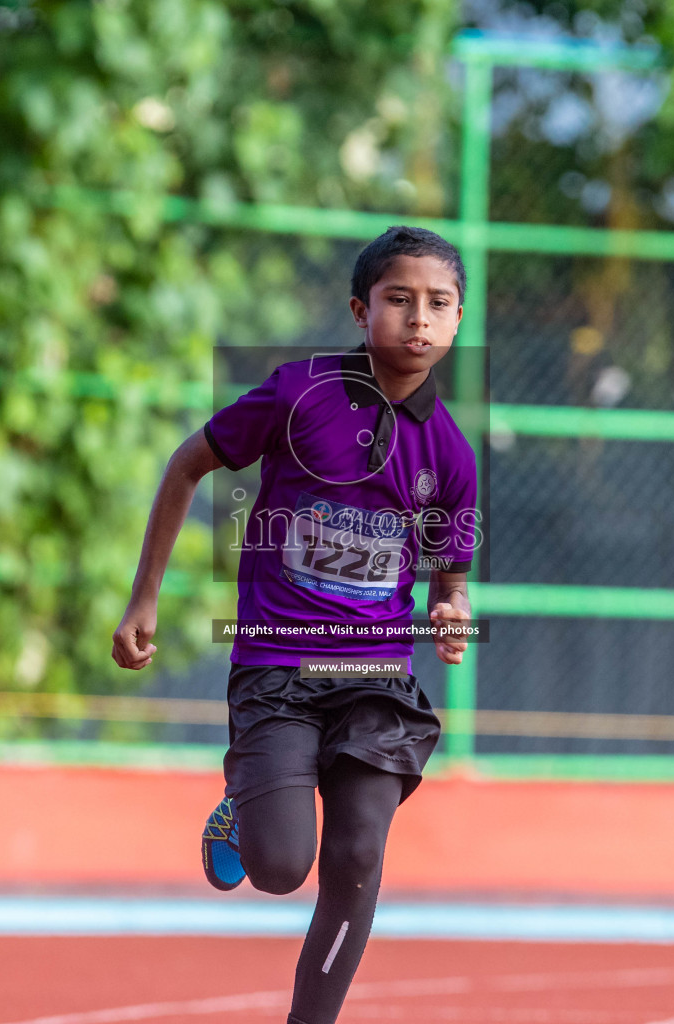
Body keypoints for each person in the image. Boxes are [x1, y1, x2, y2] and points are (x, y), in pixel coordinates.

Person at [111, 225, 479, 1024]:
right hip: (279, 671)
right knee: (281, 868)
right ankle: (245, 799)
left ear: (457, 323)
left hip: (378, 680)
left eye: (438, 304)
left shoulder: (450, 451)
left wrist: (453, 606)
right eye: (398, 299)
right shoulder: (297, 394)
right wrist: (145, 598)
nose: (418, 317)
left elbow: (451, 565)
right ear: (361, 309)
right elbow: (187, 464)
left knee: (357, 855)